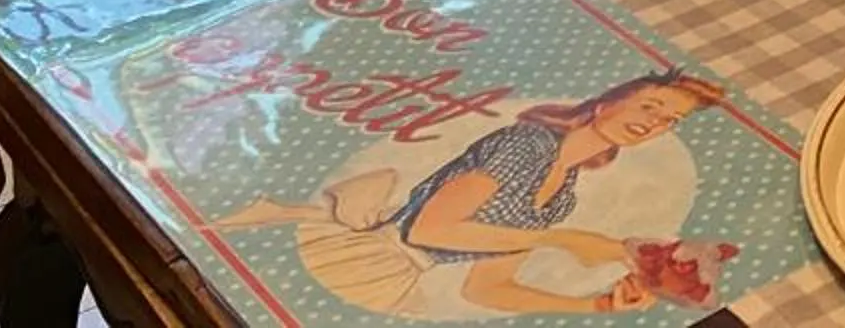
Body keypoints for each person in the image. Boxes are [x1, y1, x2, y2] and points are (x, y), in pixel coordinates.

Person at [230, 73, 730, 316]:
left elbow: (485, 289)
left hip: (393, 283)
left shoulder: (560, 196)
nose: (654, 122)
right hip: (358, 256)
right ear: (608, 101)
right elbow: (428, 228)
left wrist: (596, 306)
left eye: (671, 120)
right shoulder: (527, 144)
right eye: (651, 104)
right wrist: (563, 241)